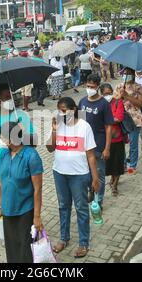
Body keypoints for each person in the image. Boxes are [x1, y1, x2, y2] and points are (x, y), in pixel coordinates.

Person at [46, 97, 99, 258]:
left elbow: (91, 155)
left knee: (81, 208)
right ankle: (64, 238)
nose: (62, 113)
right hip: (60, 173)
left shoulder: (84, 126)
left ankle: (83, 243)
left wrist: (95, 178)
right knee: (63, 206)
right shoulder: (58, 125)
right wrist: (54, 129)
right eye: (59, 110)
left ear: (74, 109)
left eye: (64, 110)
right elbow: (50, 148)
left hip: (79, 175)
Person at [0, 83, 34, 221]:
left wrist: (24, 132)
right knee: (1, 191)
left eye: (11, 97)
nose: (10, 100)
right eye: (5, 98)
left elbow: (34, 144)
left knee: (23, 191)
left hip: (22, 164)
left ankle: (26, 216)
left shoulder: (21, 116)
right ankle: (1, 208)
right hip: (0, 164)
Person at [0, 122, 43, 263]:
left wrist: (37, 216)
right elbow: (1, 181)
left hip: (25, 210)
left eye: (2, 136)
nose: (0, 139)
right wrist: (0, 206)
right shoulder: (3, 154)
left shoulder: (31, 156)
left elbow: (38, 189)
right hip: (7, 210)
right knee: (11, 248)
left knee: (25, 250)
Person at [78, 74, 114, 208]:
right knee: (86, 172)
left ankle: (98, 201)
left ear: (98, 86)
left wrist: (107, 148)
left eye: (92, 87)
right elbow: (79, 123)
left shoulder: (104, 104)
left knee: (99, 175)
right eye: (87, 86)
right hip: (83, 145)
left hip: (98, 145)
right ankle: (90, 191)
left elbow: (108, 127)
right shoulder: (82, 102)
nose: (89, 89)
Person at [119, 68, 142, 175]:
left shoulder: (138, 87)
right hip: (121, 118)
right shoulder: (120, 86)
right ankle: (123, 165)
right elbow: (115, 102)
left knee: (133, 144)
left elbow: (141, 103)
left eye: (128, 73)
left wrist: (127, 96)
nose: (126, 75)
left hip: (135, 118)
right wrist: (120, 96)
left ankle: (132, 166)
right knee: (121, 143)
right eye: (125, 73)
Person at [102, 83, 125, 196]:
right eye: (105, 93)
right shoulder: (100, 104)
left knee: (117, 163)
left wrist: (105, 120)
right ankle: (112, 179)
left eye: (109, 93)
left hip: (117, 138)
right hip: (105, 139)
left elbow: (119, 118)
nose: (108, 95)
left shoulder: (118, 102)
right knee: (109, 163)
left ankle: (115, 185)